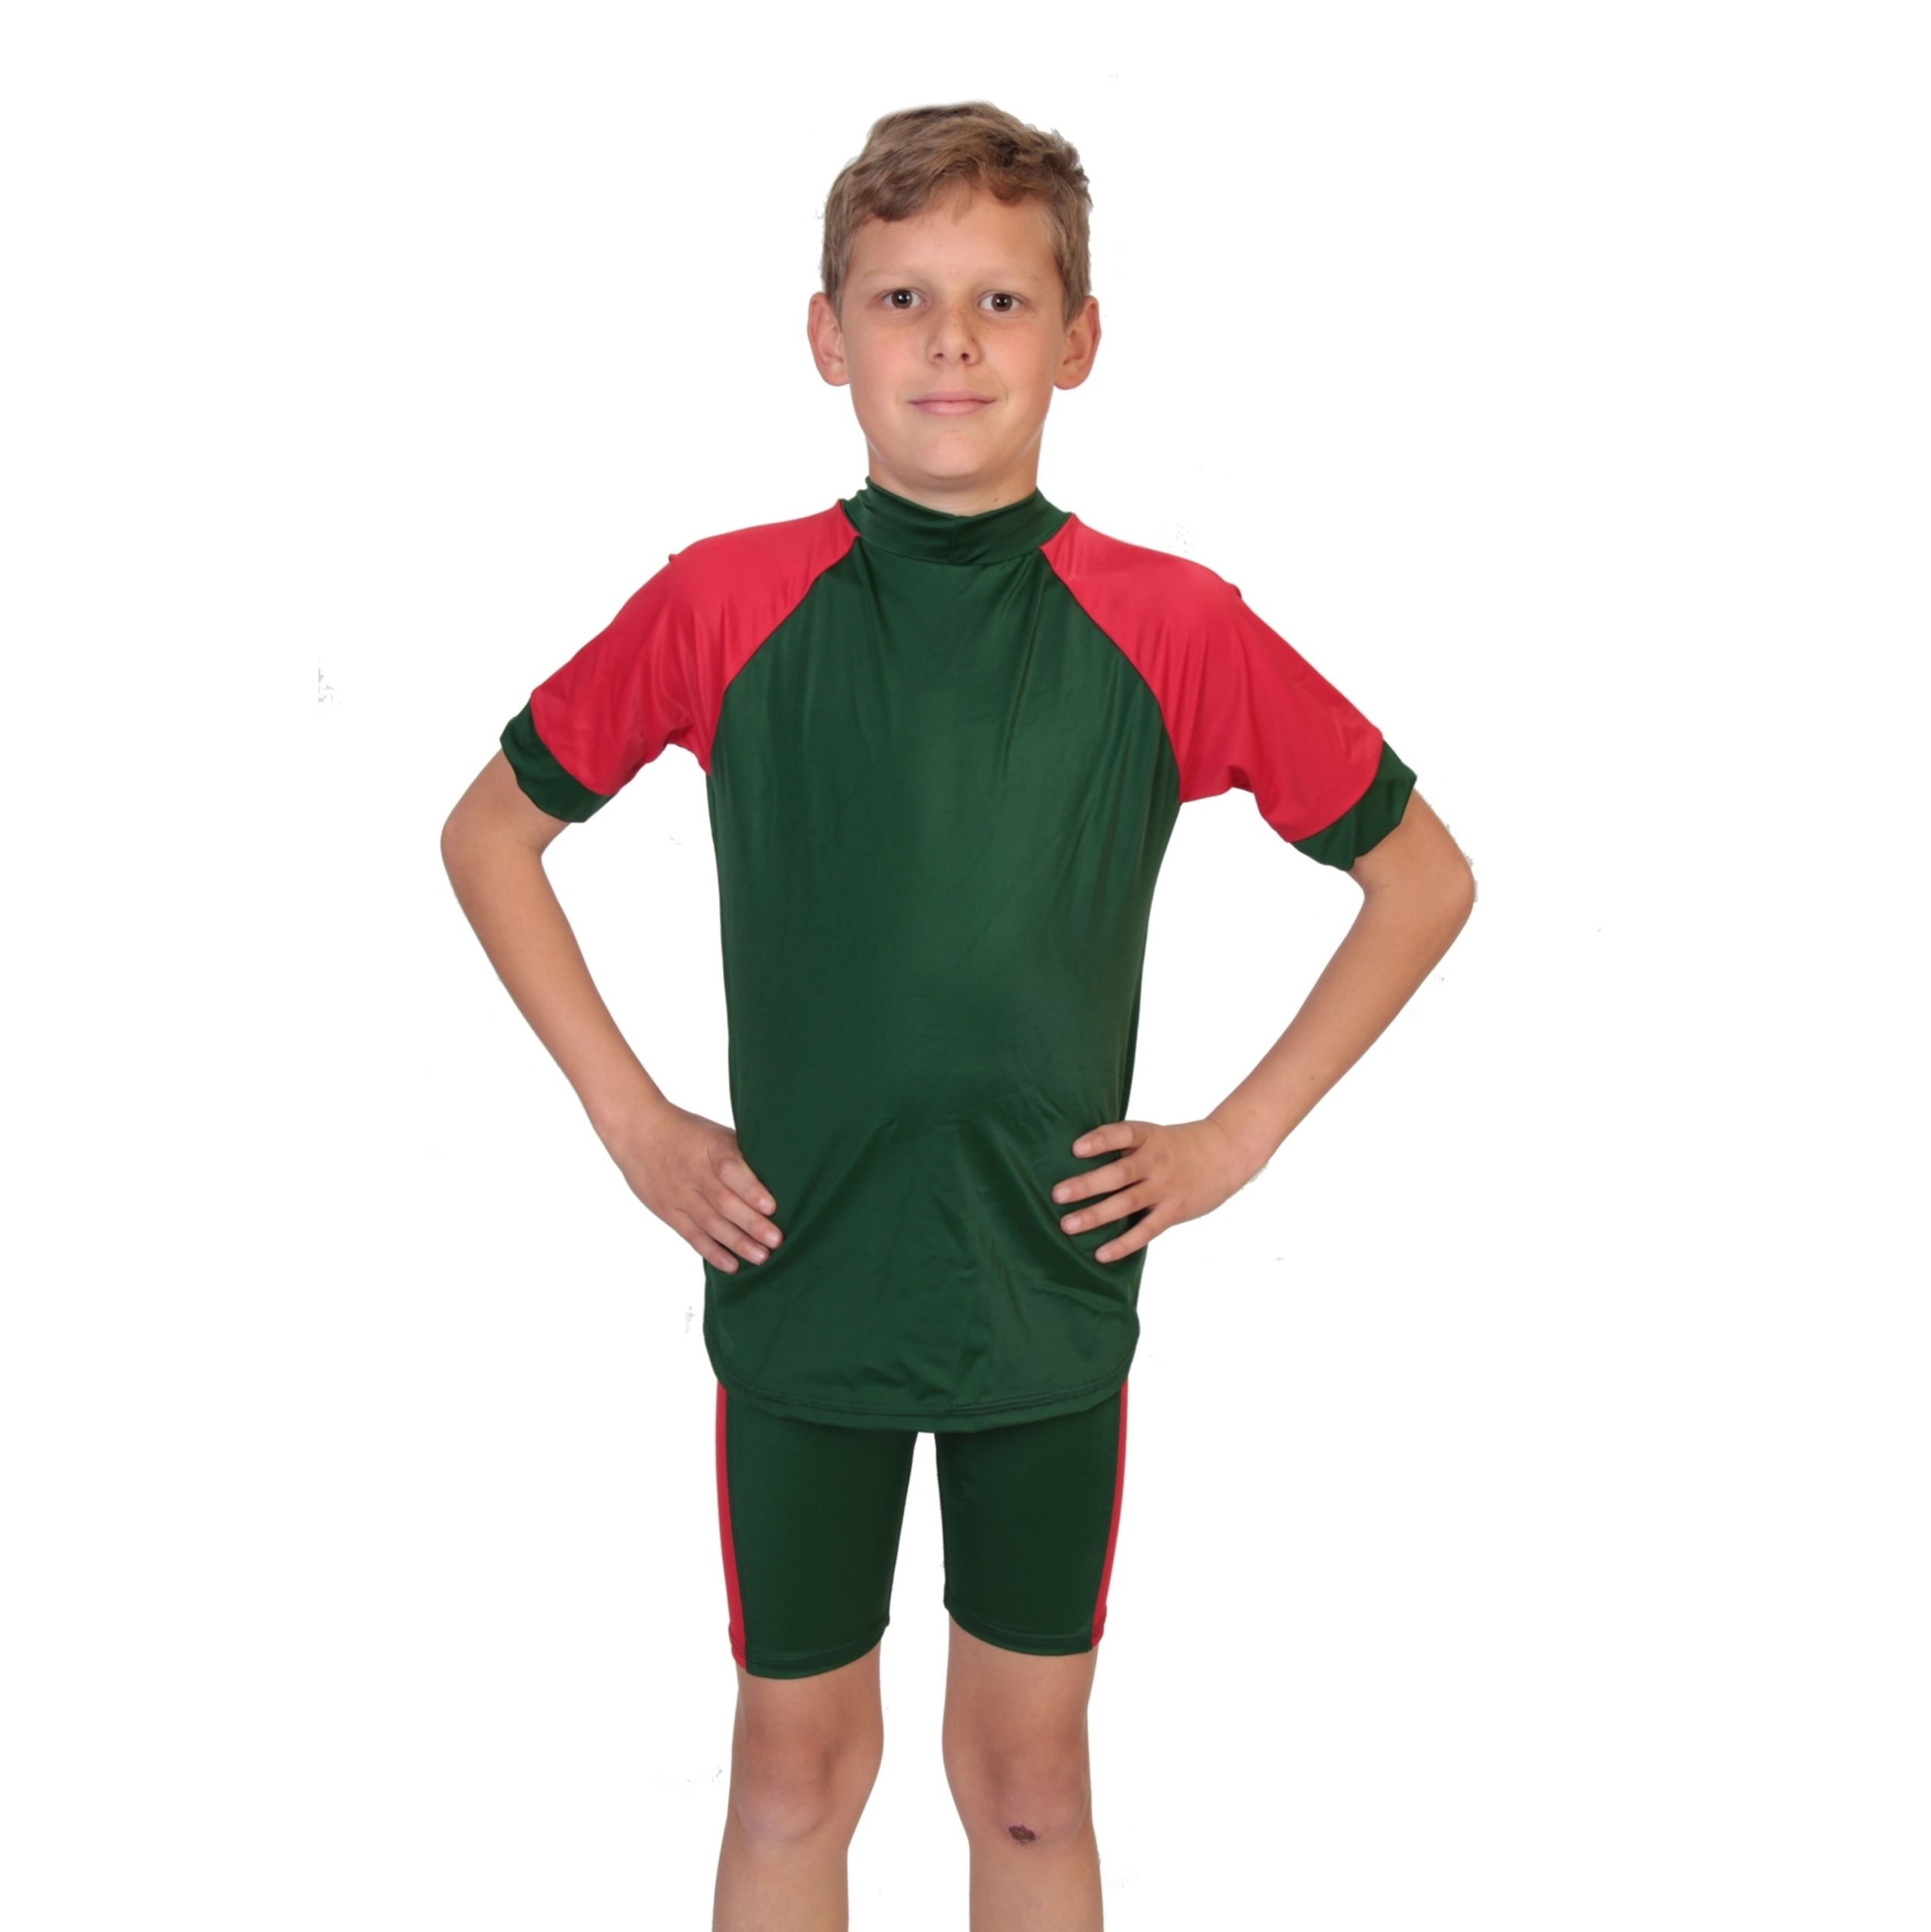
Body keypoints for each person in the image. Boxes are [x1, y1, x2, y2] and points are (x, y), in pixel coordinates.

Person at [441, 98, 1475, 1932]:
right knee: (790, 1771)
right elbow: (489, 832)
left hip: (1042, 1285)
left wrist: (1230, 1139)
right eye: (901, 297)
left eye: (1001, 301)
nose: (949, 341)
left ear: (1078, 340)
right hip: (803, 1276)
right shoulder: (723, 600)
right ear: (824, 334)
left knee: (1025, 1783)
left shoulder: (1167, 624)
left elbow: (1421, 876)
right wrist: (634, 1118)